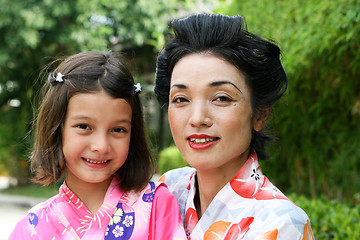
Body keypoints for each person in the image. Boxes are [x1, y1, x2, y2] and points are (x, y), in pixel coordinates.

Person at [155, 14, 314, 240]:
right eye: (181, 99)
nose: (197, 118)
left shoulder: (282, 223)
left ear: (260, 114)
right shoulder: (168, 189)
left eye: (221, 98)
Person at [10, 51, 186, 240]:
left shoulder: (157, 205)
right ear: (56, 129)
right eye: (84, 126)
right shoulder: (31, 229)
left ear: (132, 134)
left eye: (118, 130)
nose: (101, 146)